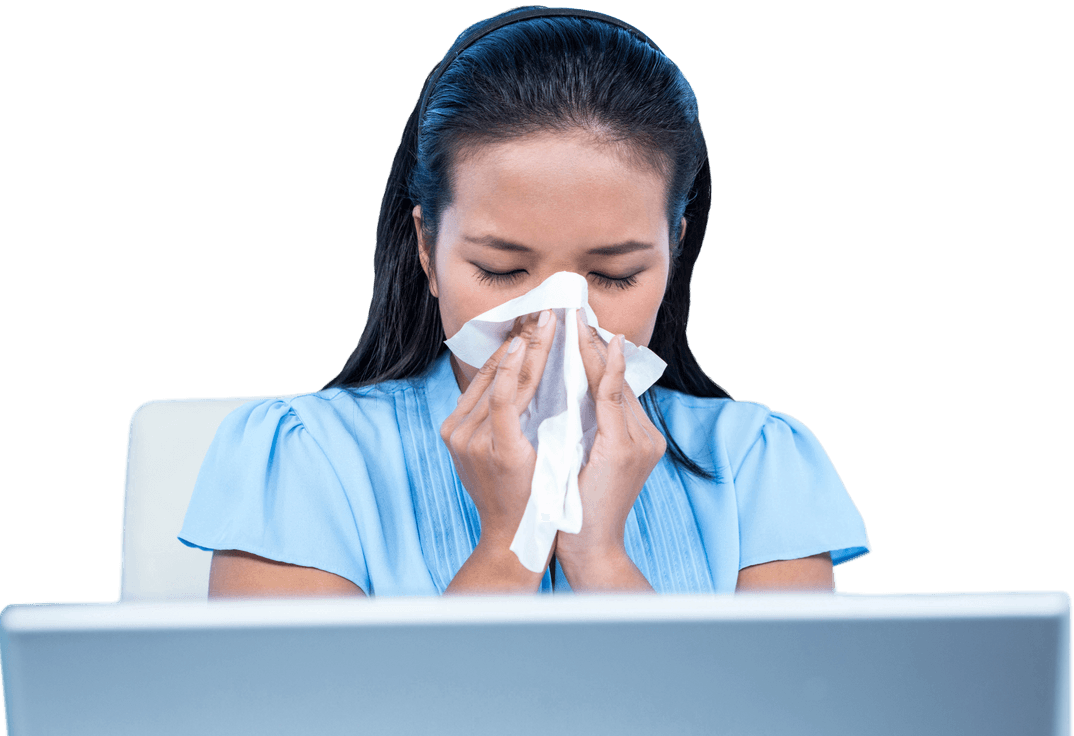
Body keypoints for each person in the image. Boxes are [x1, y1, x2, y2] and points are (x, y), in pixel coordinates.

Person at [179, 5, 871, 599]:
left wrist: (600, 560)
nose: (555, 320)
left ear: (675, 253)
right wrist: (510, 544)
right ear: (426, 248)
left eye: (615, 275)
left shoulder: (759, 467)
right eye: (502, 269)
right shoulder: (304, 463)